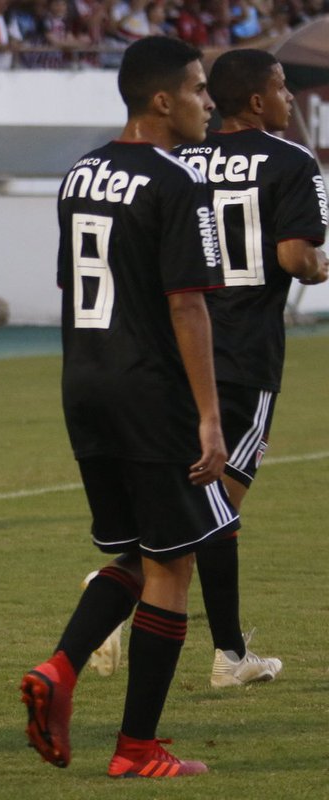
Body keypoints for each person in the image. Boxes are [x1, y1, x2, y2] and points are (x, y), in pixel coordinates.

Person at [21, 36, 237, 779]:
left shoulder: (81, 173)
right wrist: (210, 417)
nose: (210, 103)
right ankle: (137, 748)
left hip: (85, 385)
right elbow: (189, 308)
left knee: (138, 554)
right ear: (161, 100)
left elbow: (69, 288)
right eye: (201, 89)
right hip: (151, 392)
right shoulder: (177, 182)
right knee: (174, 566)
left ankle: (60, 669)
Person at [174, 48, 328, 685]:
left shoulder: (179, 159)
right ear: (258, 102)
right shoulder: (292, 160)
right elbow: (298, 259)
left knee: (199, 502)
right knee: (215, 507)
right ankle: (222, 652)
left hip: (176, 349)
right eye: (283, 87)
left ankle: (229, 652)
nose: (290, 98)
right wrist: (321, 267)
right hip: (242, 355)